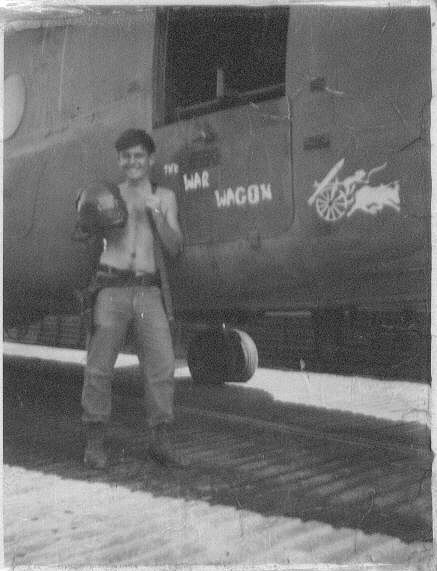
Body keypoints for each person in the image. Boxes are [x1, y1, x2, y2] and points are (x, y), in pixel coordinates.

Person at [80, 128, 184, 469]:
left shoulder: (164, 197)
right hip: (111, 288)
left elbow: (175, 247)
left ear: (150, 159)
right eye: (126, 156)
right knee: (98, 368)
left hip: (148, 290)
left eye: (139, 155)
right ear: (119, 160)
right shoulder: (110, 194)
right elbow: (86, 240)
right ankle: (95, 444)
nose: (132, 162)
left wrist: (156, 215)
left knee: (162, 367)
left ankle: (160, 441)